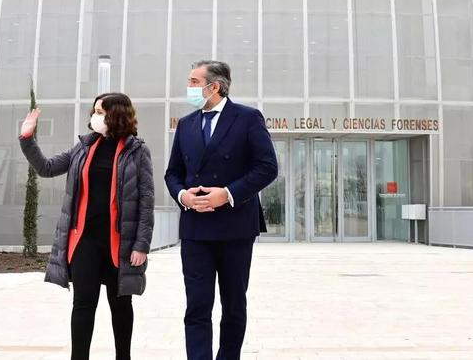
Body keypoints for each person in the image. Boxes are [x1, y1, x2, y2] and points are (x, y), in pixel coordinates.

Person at [20, 93, 155, 360]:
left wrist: (142, 244)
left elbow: (147, 201)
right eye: (94, 111)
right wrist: (27, 139)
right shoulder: (83, 147)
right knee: (83, 304)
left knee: (120, 305)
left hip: (121, 243)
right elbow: (46, 168)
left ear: (116, 114)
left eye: (101, 111)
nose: (95, 117)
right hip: (85, 242)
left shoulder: (137, 151)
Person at [164, 60, 279, 360]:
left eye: (193, 81)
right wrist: (182, 196)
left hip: (235, 227)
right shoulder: (186, 123)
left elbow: (267, 167)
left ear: (213, 86)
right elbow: (172, 173)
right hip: (195, 229)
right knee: (197, 306)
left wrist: (227, 194)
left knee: (233, 305)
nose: (189, 87)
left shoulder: (248, 118)